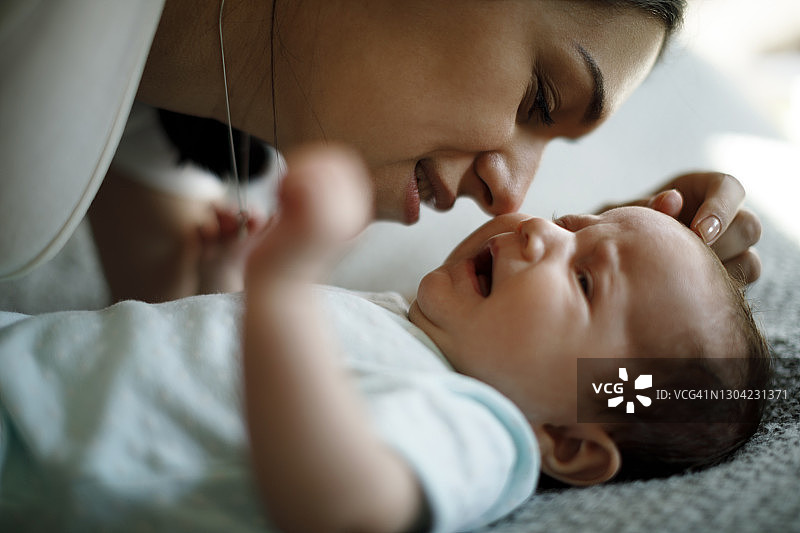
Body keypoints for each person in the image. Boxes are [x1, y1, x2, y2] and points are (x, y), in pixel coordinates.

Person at [0, 0, 761, 299]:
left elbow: (190, 368)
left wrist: (614, 296)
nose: (513, 196)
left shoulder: (165, 109)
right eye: (538, 99)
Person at [241, 146, 771, 533]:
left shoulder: (479, 428)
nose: (539, 230)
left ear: (566, 440)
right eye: (570, 224)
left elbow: (343, 508)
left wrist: (280, 288)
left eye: (584, 280)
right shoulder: (399, 323)